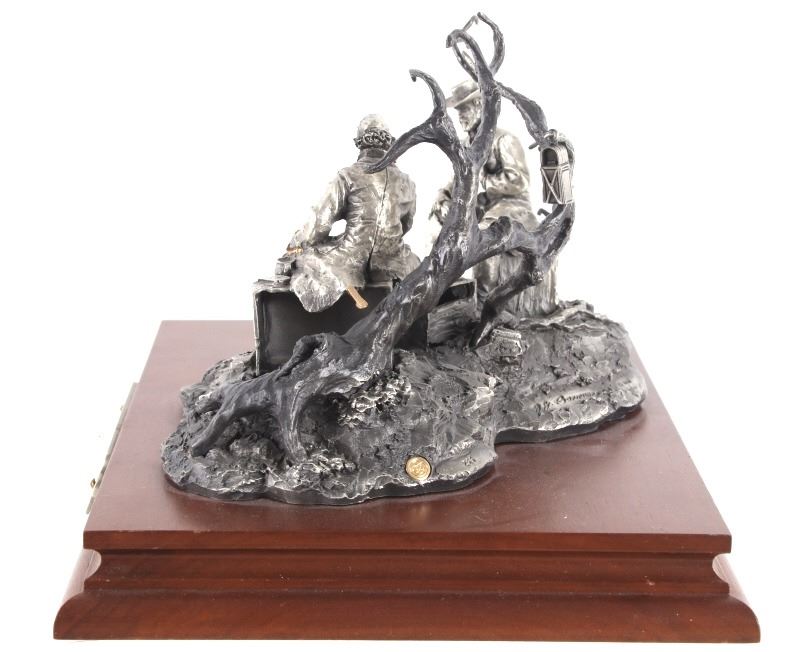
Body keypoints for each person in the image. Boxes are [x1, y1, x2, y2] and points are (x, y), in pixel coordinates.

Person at [430, 81, 557, 319]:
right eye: (457, 111)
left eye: (464, 109)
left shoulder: (504, 139)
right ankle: (443, 294)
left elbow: (518, 180)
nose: (460, 116)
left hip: (512, 208)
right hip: (482, 206)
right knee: (439, 229)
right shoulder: (465, 145)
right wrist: (443, 195)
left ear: (480, 106)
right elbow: (456, 180)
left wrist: (482, 183)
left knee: (484, 236)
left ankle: (482, 304)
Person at [277, 115, 419, 313]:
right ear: (389, 143)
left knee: (302, 258)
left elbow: (319, 225)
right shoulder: (406, 181)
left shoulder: (348, 176)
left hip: (352, 259)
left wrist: (296, 244)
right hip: (394, 260)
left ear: (359, 143)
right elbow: (406, 224)